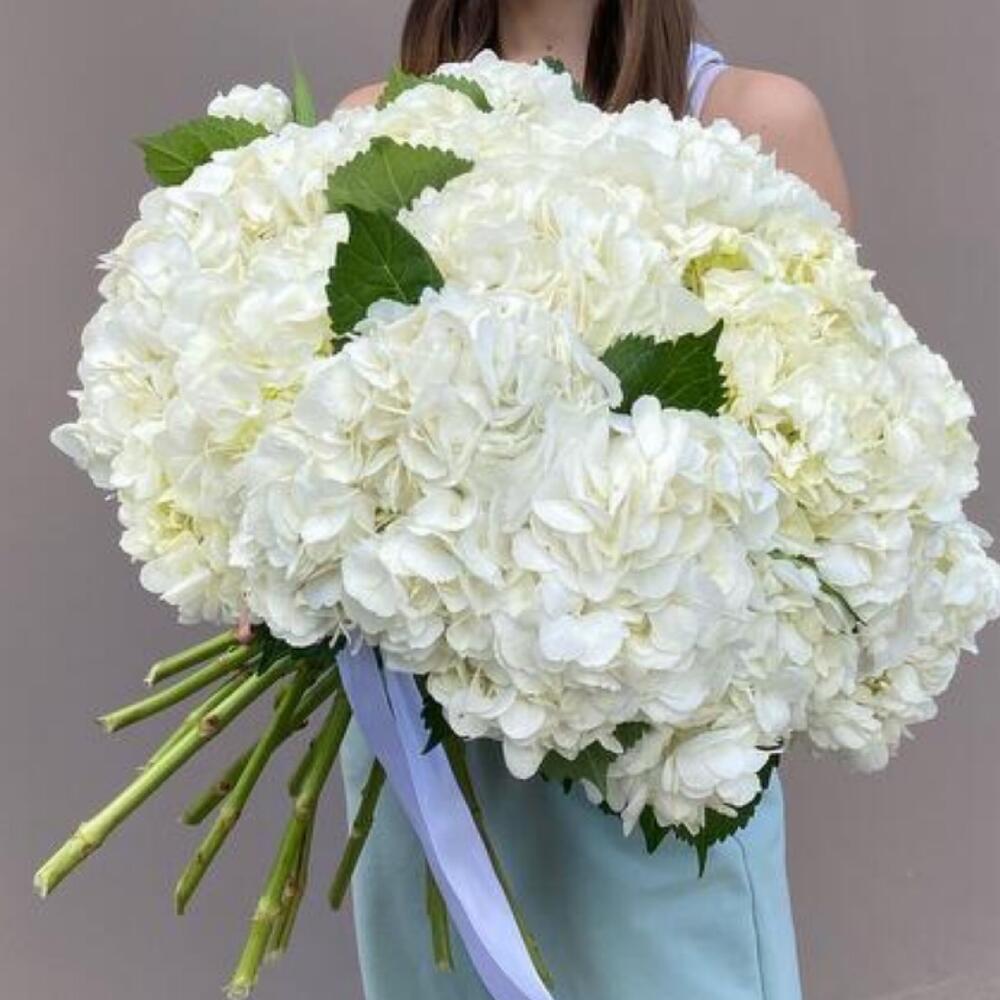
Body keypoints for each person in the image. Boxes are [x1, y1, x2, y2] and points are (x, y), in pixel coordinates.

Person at [336, 2, 855, 997]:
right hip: (436, 753)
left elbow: (822, 448)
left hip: (647, 754)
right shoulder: (375, 128)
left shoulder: (755, 123)